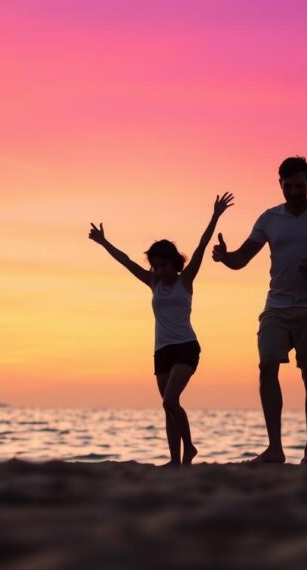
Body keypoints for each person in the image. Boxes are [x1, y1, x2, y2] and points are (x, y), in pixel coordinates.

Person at [212, 157, 307, 464]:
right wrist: (224, 256)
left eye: (301, 185)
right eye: (289, 186)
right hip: (277, 307)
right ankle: (275, 448)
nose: (296, 191)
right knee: (267, 365)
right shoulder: (269, 218)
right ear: (280, 184)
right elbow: (242, 258)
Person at [88, 192, 234, 465]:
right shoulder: (153, 282)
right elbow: (127, 261)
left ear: (174, 263)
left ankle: (190, 448)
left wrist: (215, 215)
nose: (159, 270)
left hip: (186, 348)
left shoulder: (185, 280)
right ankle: (175, 461)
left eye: (163, 265)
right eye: (155, 266)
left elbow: (202, 246)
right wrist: (103, 242)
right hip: (161, 351)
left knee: (170, 401)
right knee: (168, 409)